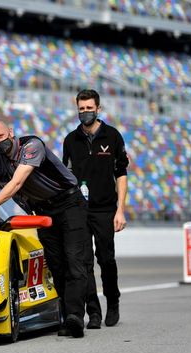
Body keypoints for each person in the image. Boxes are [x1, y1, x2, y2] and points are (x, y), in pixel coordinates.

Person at [0, 119, 91, 338]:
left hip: (69, 203)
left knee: (74, 259)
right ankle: (68, 316)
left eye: (0, 137)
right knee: (56, 263)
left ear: (10, 132)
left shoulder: (32, 146)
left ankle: (76, 316)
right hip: (43, 211)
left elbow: (17, 183)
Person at [63, 89, 130, 327]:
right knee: (84, 262)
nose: (85, 112)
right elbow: (67, 175)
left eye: (89, 108)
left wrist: (120, 210)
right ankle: (93, 312)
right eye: (81, 109)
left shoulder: (112, 136)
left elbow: (121, 175)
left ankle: (113, 301)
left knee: (106, 259)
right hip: (79, 210)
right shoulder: (71, 140)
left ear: (98, 109)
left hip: (105, 209)